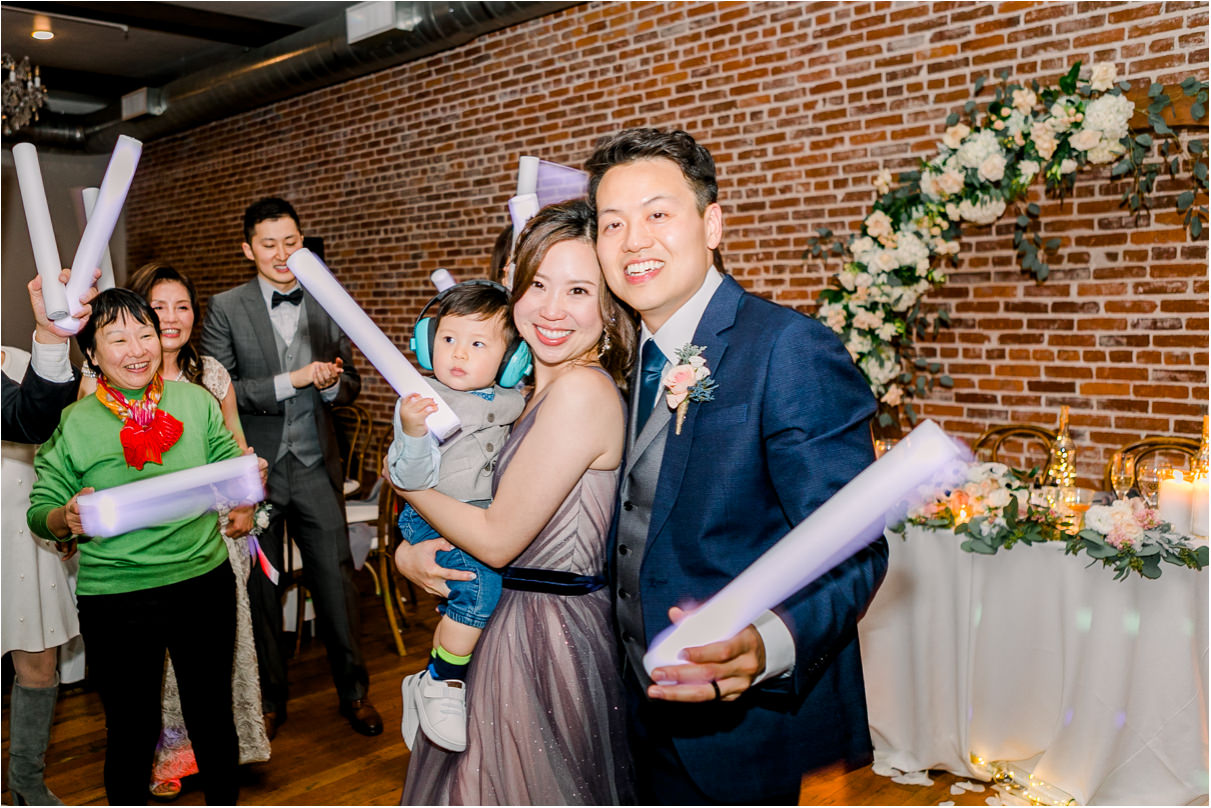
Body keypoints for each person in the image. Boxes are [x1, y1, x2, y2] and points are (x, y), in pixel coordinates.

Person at [585, 128, 886, 804]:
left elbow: (854, 548)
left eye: (657, 214)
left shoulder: (787, 349)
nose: (633, 241)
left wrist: (767, 641)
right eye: (612, 223)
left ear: (711, 223)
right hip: (631, 713)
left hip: (744, 728)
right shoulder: (621, 364)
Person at [394, 200, 637, 804]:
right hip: (501, 617)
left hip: (546, 637)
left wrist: (407, 486)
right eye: (537, 285)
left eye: (579, 289)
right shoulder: (522, 392)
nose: (552, 309)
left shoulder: (581, 391)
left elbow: (499, 538)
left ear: (609, 305)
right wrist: (408, 554)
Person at [27, 288, 246, 805]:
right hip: (117, 596)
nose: (137, 348)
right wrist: (68, 516)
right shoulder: (72, 420)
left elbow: (224, 463)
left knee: (213, 716)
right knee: (130, 729)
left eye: (145, 333)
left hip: (202, 581)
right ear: (93, 353)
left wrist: (243, 482)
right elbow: (42, 510)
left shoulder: (195, 400)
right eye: (118, 337)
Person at [199, 197, 381, 738]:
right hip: (253, 470)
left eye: (291, 241)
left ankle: (355, 692)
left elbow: (352, 382)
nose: (282, 253)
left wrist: (330, 386)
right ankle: (269, 699)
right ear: (248, 249)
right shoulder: (226, 307)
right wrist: (295, 379)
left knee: (336, 582)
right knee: (260, 590)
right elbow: (219, 388)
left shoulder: (328, 300)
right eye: (269, 243)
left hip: (313, 463)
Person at [131, 263, 271, 799]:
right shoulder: (113, 373)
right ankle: (165, 753)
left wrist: (247, 504)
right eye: (159, 306)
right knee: (160, 657)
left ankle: (222, 749)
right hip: (151, 536)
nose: (172, 317)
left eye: (182, 306)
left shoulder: (211, 372)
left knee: (218, 651)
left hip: (216, 532)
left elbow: (236, 444)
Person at [389, 281, 527, 753]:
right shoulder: (421, 399)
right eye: (447, 339)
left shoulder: (515, 398)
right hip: (433, 513)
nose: (458, 354)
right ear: (428, 342)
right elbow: (407, 476)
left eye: (477, 343)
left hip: (486, 513)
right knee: (479, 581)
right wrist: (410, 432)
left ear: (511, 360)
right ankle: (440, 679)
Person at [3, 269, 96, 806]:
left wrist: (49, 337)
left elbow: (36, 424)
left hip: (23, 536)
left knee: (37, 664)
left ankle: (27, 784)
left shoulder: (18, 362)